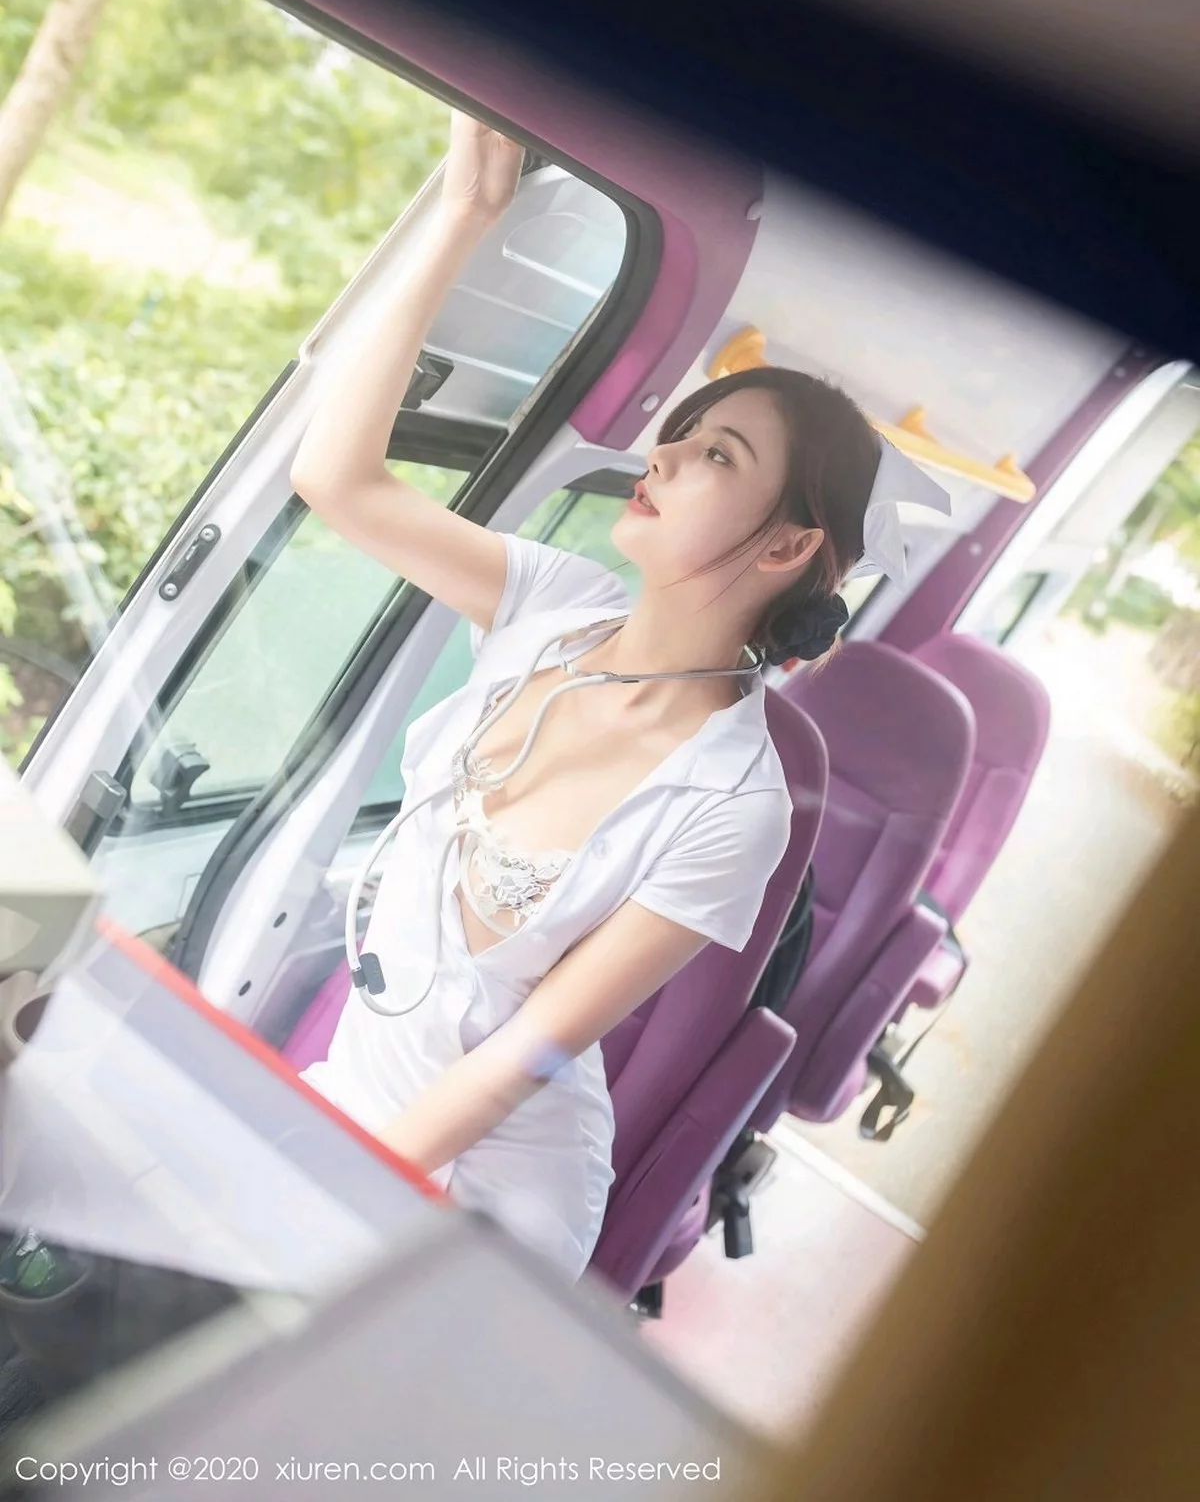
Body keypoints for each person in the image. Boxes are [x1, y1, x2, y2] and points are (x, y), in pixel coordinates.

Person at [289, 111, 883, 1284]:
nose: (662, 457)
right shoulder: (551, 605)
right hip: (356, 1104)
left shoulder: (735, 804)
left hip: (483, 1200)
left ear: (786, 548)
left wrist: (344, 1193)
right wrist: (463, 216)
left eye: (717, 456)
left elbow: (524, 1058)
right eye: (680, 436)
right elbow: (335, 476)